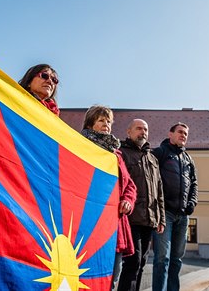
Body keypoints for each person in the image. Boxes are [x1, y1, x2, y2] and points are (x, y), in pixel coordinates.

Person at [79, 106, 136, 290]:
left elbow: (129, 185)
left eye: (109, 121)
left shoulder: (116, 155)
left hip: (113, 223)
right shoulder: (79, 146)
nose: (106, 125)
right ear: (90, 123)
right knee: (86, 274)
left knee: (113, 274)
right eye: (101, 120)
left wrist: (127, 200)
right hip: (88, 222)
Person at [117, 119, 165, 291]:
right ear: (128, 131)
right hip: (130, 218)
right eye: (138, 128)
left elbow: (159, 190)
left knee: (142, 263)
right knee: (133, 262)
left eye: (145, 129)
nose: (143, 132)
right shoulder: (121, 153)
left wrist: (161, 219)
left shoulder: (152, 158)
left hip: (149, 220)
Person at [151, 122, 198, 291]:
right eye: (180, 132)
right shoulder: (160, 153)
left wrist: (192, 202)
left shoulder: (188, 159)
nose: (183, 135)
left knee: (177, 259)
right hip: (165, 214)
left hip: (183, 215)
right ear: (170, 134)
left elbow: (194, 184)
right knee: (162, 258)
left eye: (186, 133)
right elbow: (150, 180)